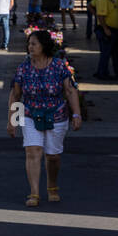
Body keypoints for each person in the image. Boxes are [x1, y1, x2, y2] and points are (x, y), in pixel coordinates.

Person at [8, 30, 82, 207]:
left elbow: (70, 91)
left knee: (53, 156)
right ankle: (34, 193)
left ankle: (52, 186)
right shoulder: (23, 68)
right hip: (30, 115)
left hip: (56, 115)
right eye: (29, 44)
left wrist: (76, 114)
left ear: (44, 46)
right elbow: (15, 94)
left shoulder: (58, 66)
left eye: (34, 44)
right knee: (32, 151)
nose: (30, 47)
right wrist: (12, 120)